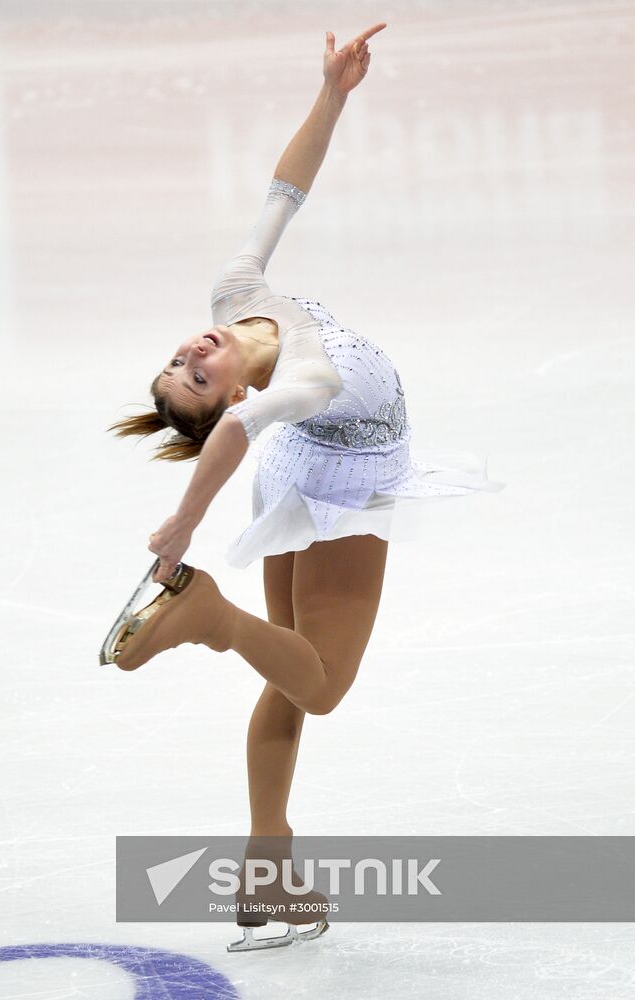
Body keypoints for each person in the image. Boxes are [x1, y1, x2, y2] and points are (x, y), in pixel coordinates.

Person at [104, 23, 504, 950]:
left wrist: (332, 94)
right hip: (342, 481)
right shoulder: (299, 382)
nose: (192, 353)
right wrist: (182, 523)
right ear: (234, 390)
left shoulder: (234, 291)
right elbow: (240, 428)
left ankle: (267, 872)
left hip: (293, 466)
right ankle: (213, 620)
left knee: (287, 685)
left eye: (178, 360)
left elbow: (286, 190)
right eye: (192, 377)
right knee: (320, 688)